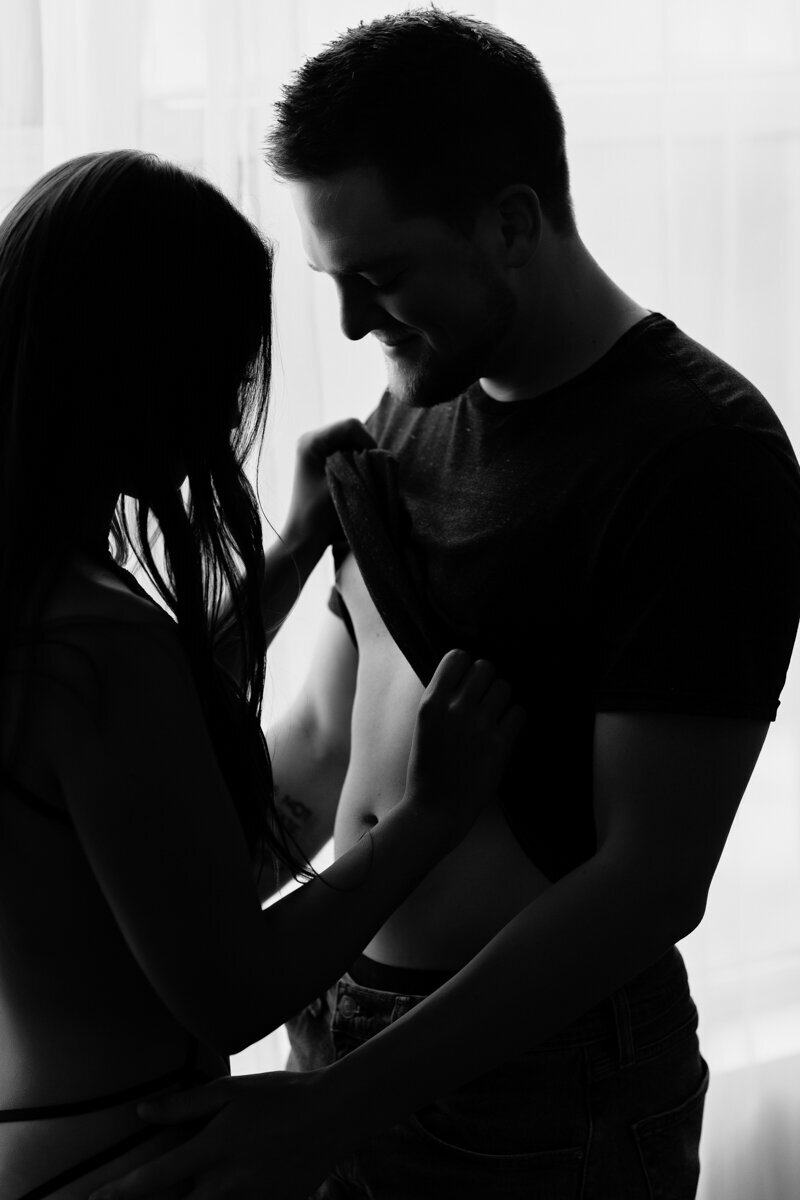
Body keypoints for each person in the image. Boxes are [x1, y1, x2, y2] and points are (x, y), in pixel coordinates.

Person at [93, 9, 800, 1200]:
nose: (355, 326)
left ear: (512, 223)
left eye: (380, 276)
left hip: (533, 1091)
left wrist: (337, 1105)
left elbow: (646, 880)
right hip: (330, 1033)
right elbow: (320, 750)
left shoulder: (699, 455)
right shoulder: (409, 404)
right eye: (336, 281)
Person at [0, 148, 525, 1200]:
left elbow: (131, 786)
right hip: (133, 1155)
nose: (236, 396)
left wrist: (286, 558)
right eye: (228, 361)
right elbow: (229, 989)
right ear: (149, 363)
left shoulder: (40, 606)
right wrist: (428, 812)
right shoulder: (101, 653)